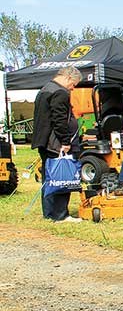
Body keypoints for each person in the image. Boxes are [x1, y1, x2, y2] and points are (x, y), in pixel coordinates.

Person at [31, 66, 83, 222]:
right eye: (74, 84)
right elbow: (59, 120)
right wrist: (65, 141)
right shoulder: (60, 92)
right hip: (55, 143)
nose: (73, 88)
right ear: (67, 77)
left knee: (49, 177)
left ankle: (49, 213)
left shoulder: (45, 89)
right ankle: (61, 214)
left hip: (44, 141)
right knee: (61, 176)